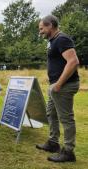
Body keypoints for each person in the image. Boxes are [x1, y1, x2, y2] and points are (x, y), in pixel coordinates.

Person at [36, 15, 80, 162]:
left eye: (42, 28)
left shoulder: (62, 39)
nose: (40, 32)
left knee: (66, 118)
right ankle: (53, 143)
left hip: (64, 86)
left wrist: (59, 84)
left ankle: (68, 152)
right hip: (55, 86)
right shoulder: (52, 41)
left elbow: (73, 62)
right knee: (51, 114)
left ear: (50, 26)